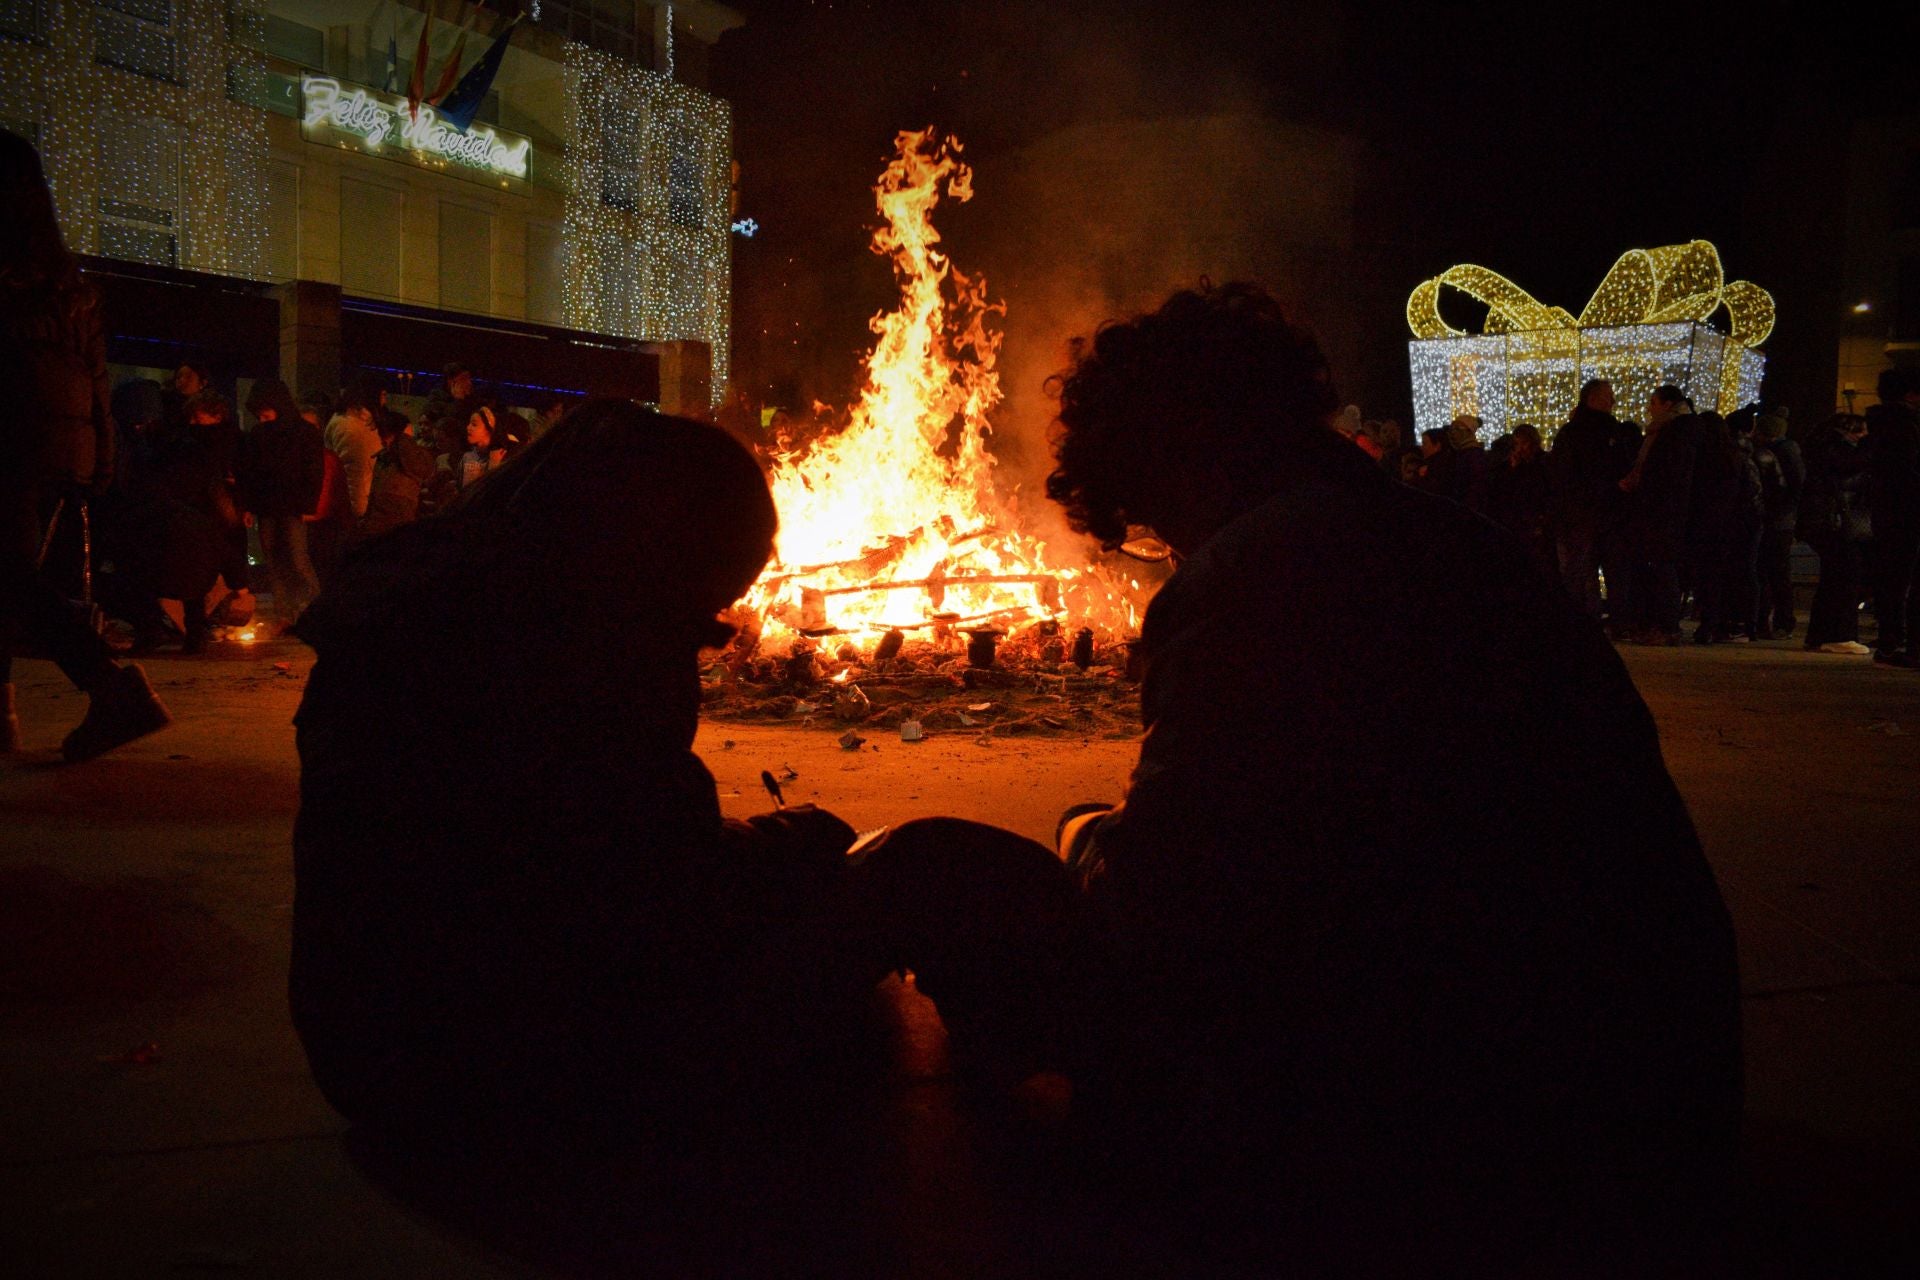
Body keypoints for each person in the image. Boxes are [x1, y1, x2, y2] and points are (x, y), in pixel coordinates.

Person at [859, 284, 1740, 1267]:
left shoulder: (1259, 568)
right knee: (1087, 828)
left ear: (1181, 451)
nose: (1163, 543)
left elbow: (1175, 915)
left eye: (1152, 516)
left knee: (917, 861)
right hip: (1646, 1072)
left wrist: (1089, 863)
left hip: (1429, 1125)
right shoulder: (1457, 542)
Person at [289, 403, 880, 1148]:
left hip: (362, 1056)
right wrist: (803, 847)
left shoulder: (412, 592)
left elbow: (576, 839)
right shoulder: (591, 641)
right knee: (899, 871)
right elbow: (652, 895)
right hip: (515, 1075)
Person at [0, 129, 171, 760]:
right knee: (8, 571)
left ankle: (111, 688)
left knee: (12, 574)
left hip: (13, 427)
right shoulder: (66, 279)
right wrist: (99, 449)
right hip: (57, 438)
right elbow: (97, 372)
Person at [235, 378, 324, 631]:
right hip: (267, 507)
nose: (262, 419)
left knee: (297, 558)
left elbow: (314, 471)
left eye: (266, 413)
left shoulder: (304, 433)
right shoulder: (259, 434)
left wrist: (308, 505)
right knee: (273, 560)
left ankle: (315, 610)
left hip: (293, 506)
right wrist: (250, 506)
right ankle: (285, 614)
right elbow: (250, 472)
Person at [1551, 379, 1635, 626]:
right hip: (1602, 512)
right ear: (1594, 398)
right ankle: (1614, 621)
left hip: (1586, 514)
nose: (1613, 401)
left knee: (1584, 572)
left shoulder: (1573, 432)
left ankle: (1586, 621)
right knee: (1607, 570)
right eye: (1608, 395)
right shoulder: (1607, 432)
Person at [1620, 387, 1697, 644]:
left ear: (1668, 404)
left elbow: (1668, 474)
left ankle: (1666, 626)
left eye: (1653, 402)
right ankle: (1656, 623)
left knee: (1662, 567)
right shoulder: (1670, 430)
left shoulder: (1675, 431)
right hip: (1661, 510)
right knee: (1656, 567)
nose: (1649, 408)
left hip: (1665, 512)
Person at [1799, 414, 1873, 654]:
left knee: (1834, 576)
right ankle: (1838, 634)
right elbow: (1848, 472)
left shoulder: (1820, 448)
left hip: (1825, 520)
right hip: (1835, 522)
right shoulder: (1839, 452)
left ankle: (1821, 635)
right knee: (1844, 575)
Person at [1866, 366, 1920, 667]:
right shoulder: (1906, 425)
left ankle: (1890, 638)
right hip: (1907, 511)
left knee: (1891, 578)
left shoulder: (1878, 424)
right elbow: (1909, 471)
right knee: (1905, 578)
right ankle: (1901, 642)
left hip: (1887, 511)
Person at [350, 407, 436, 546]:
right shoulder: (384, 457)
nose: (383, 439)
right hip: (375, 532)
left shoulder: (414, 457)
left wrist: (402, 438)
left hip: (397, 535)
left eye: (386, 434)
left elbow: (422, 470)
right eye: (381, 433)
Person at [1753, 408, 1803, 638]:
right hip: (1782, 519)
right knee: (1776, 572)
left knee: (1773, 571)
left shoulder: (1774, 453)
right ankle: (1778, 621)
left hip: (1777, 519)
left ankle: (1778, 620)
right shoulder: (1788, 450)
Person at [1485, 422, 1555, 580]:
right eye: (1517, 443)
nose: (1520, 447)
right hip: (1519, 521)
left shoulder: (1543, 462)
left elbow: (1546, 492)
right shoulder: (1514, 465)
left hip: (1536, 521)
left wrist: (1543, 519)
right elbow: (1504, 490)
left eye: (1523, 443)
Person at [324, 379, 383, 522]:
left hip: (350, 502)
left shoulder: (352, 422)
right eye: (382, 394)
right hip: (355, 507)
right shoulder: (353, 429)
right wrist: (359, 510)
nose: (384, 399)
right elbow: (355, 473)